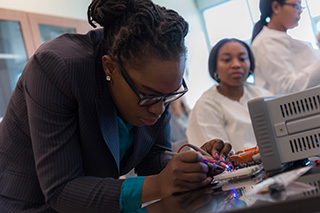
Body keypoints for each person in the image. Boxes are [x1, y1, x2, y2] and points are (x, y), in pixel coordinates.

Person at [0, 0, 232, 212]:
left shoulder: (152, 88)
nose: (160, 109)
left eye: (170, 95)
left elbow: (152, 157)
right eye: (149, 95)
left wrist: (194, 165)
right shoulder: (57, 67)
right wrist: (160, 184)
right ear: (110, 68)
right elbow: (62, 190)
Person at [186, 38, 272, 152]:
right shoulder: (206, 106)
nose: (236, 65)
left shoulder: (263, 95)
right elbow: (217, 157)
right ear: (215, 67)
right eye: (227, 60)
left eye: (242, 58)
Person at [251, 0, 320, 95]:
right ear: (276, 7)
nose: (300, 11)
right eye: (296, 6)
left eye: (301, 6)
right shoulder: (267, 42)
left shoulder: (279, 38)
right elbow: (287, 88)